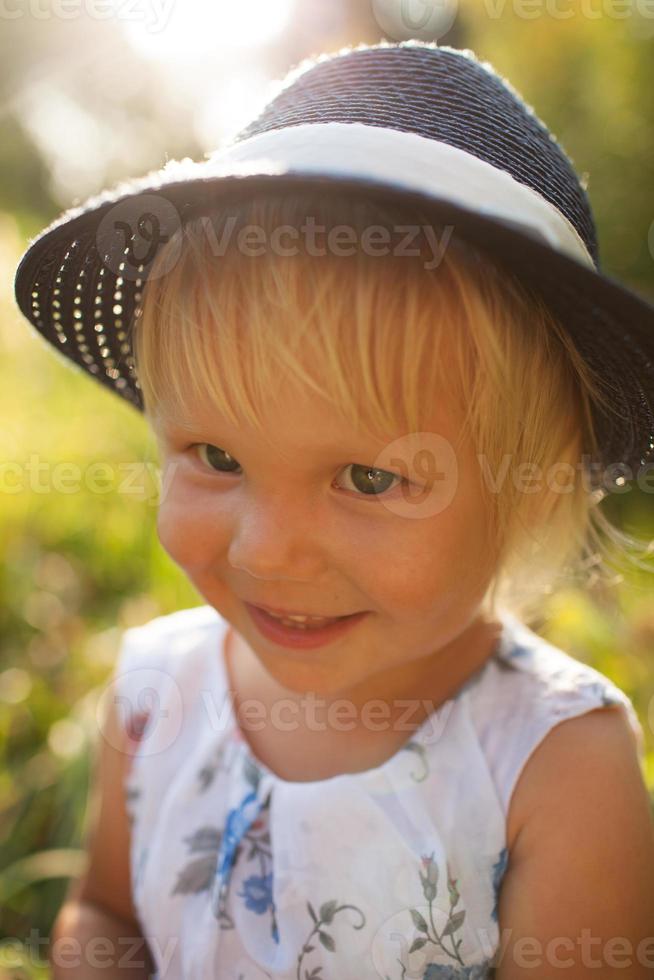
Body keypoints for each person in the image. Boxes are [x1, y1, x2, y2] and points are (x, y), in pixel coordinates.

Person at [13, 39, 654, 980]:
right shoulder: (155, 692)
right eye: (218, 456)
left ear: (532, 489)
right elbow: (106, 910)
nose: (269, 552)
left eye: (368, 478)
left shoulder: (558, 769)